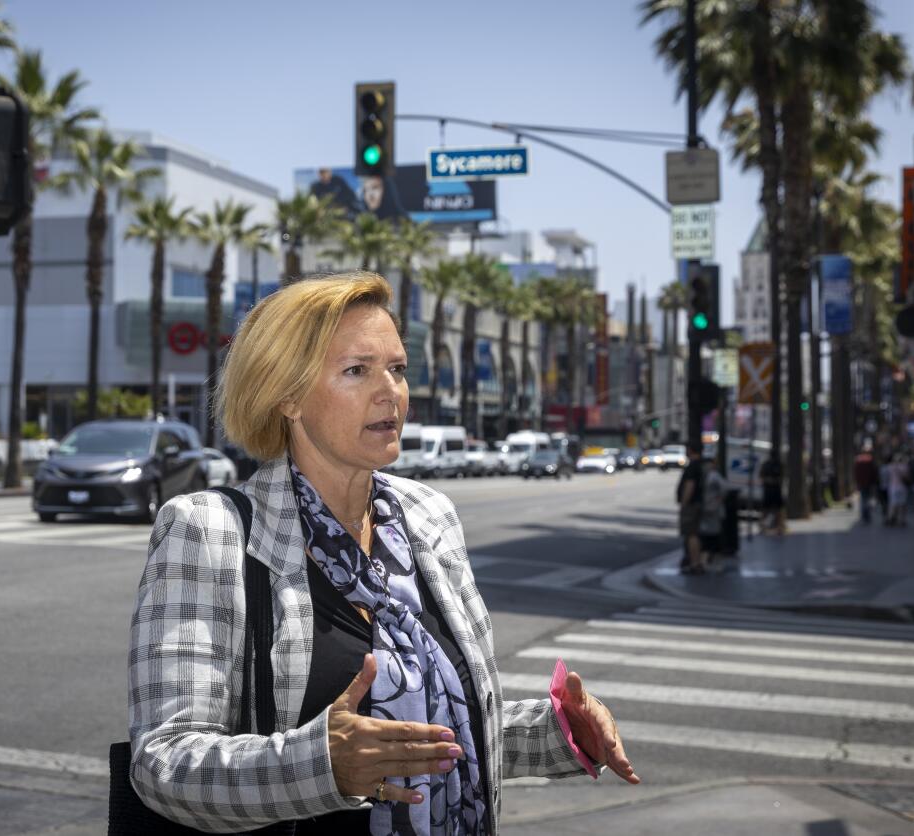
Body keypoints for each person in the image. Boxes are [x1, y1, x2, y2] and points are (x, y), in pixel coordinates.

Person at [128, 273, 638, 834]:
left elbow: (436, 733)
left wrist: (558, 734)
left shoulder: (428, 516)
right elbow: (164, 762)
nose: (389, 392)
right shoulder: (207, 531)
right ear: (288, 395)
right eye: (356, 371)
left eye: (397, 369)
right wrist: (322, 766)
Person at [677, 440, 706, 573]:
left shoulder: (693, 466)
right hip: (698, 503)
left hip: (692, 505)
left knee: (691, 534)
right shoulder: (702, 465)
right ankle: (697, 562)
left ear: (690, 450)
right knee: (694, 534)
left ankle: (694, 563)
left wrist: (684, 503)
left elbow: (690, 485)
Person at [698, 458, 728, 566]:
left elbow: (724, 489)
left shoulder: (714, 476)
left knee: (713, 536)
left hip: (713, 510)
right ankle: (708, 559)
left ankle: (710, 559)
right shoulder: (707, 476)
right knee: (709, 535)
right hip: (709, 509)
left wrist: (716, 501)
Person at [759, 453, 785, 536]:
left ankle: (778, 527)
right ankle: (777, 527)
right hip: (771, 490)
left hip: (772, 490)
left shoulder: (769, 465)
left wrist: (770, 480)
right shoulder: (774, 465)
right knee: (773, 510)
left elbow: (761, 476)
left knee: (773, 510)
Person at [853, 441, 879, 524]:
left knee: (863, 499)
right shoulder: (870, 460)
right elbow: (874, 472)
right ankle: (866, 514)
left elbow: (856, 473)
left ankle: (864, 514)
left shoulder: (858, 460)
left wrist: (857, 482)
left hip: (861, 483)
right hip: (869, 483)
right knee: (867, 499)